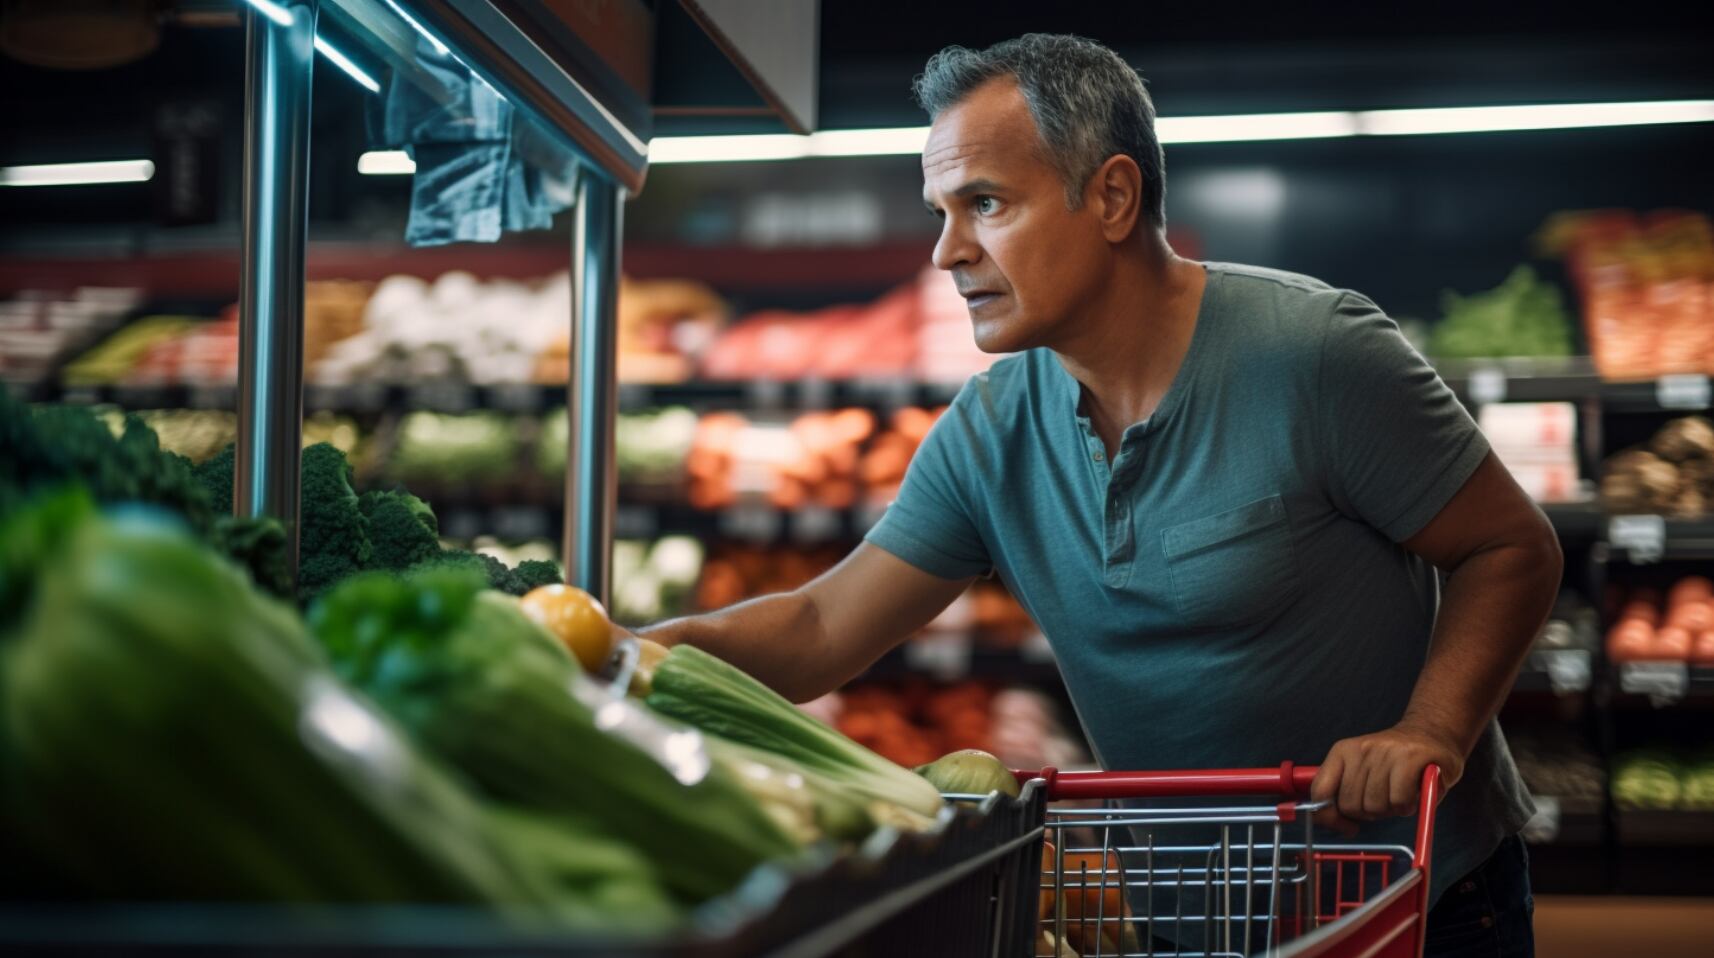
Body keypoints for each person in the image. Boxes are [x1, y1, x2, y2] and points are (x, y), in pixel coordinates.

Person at [637, 34, 1555, 956]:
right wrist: (636, 657)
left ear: (1112, 197)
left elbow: (1512, 547)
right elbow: (820, 629)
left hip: (1410, 901)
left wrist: (1430, 730)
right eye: (941, 213)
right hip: (1184, 921)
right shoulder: (991, 428)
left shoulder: (1316, 354)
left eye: (985, 205)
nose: (946, 252)